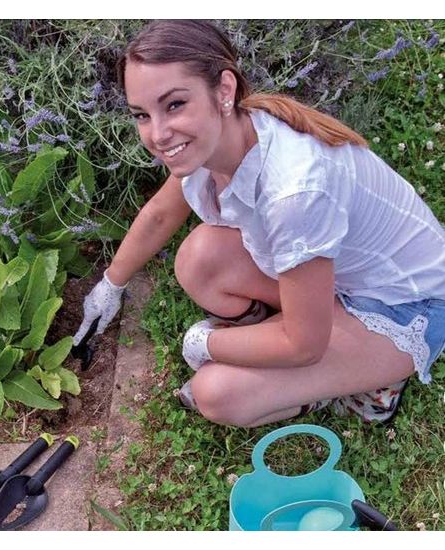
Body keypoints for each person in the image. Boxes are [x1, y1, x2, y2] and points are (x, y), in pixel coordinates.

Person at [72, 20, 445, 428]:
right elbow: (161, 213)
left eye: (175, 104)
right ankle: (301, 352)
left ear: (224, 91)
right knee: (199, 260)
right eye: (142, 114)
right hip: (335, 279)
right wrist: (111, 285)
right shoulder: (220, 140)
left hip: (403, 307)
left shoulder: (294, 192)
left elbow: (304, 345)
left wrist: (206, 342)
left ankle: (374, 388)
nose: (158, 134)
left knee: (218, 394)